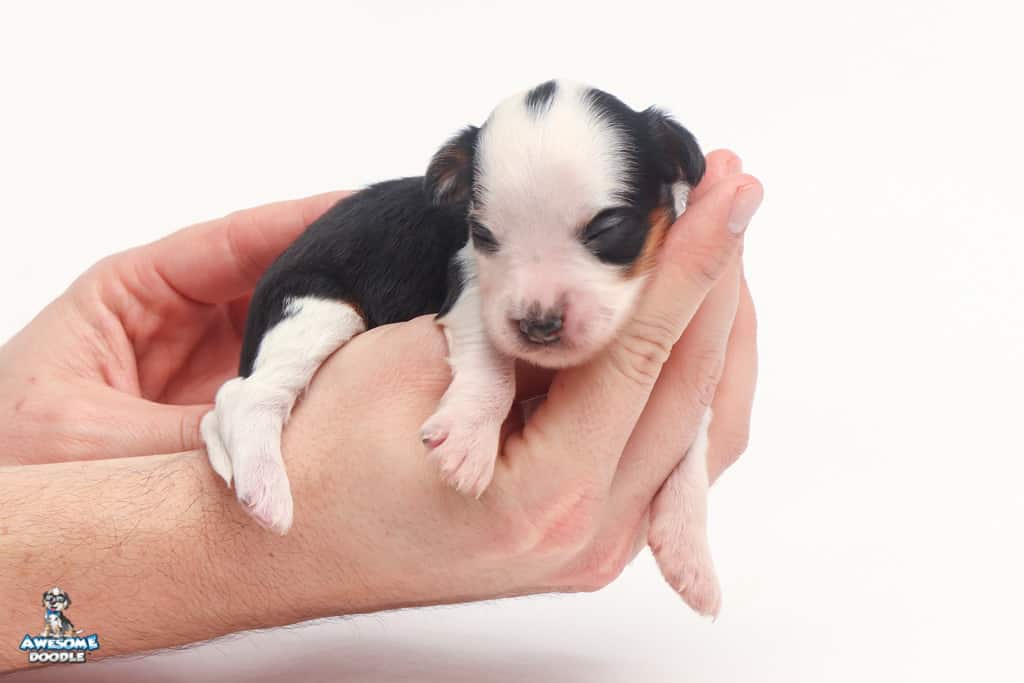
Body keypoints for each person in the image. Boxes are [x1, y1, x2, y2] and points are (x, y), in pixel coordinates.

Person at [0, 150, 761, 671]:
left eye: (602, 234)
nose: (539, 295)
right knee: (323, 340)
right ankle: (251, 410)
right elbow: (474, 334)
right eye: (498, 237)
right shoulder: (483, 264)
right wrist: (246, 552)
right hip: (325, 292)